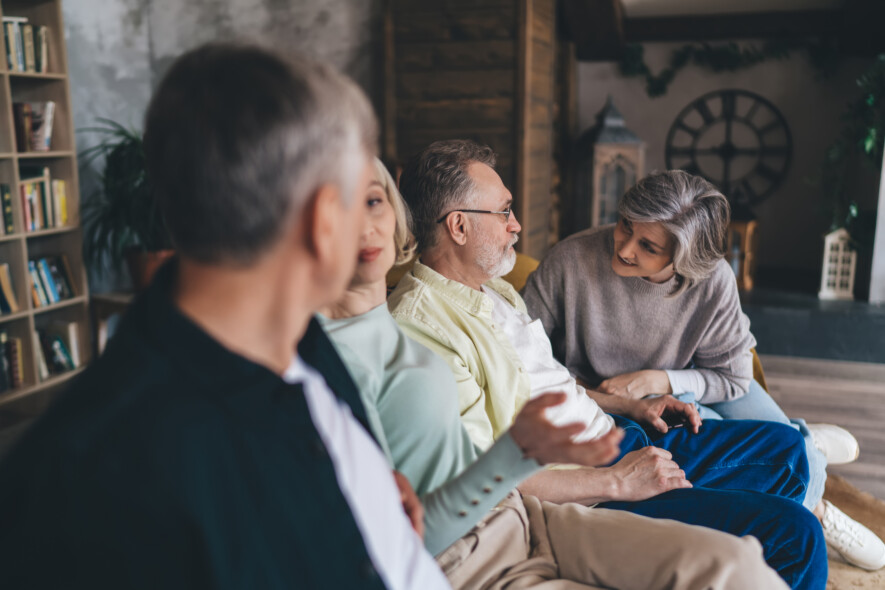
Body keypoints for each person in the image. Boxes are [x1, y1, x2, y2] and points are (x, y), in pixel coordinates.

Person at [0, 44, 450, 589]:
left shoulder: (301, 339)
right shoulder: (92, 482)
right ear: (323, 218)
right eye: (365, 198)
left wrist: (365, 514)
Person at [319, 158, 790, 589]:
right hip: (554, 497)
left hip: (595, 446)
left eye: (379, 202)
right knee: (784, 531)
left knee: (787, 456)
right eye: (504, 211)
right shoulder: (413, 334)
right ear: (459, 226)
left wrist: (635, 399)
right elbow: (448, 505)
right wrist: (612, 481)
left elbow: (551, 385)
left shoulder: (498, 292)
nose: (517, 225)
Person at [522, 169, 885, 571]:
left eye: (647, 246)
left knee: (780, 446)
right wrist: (618, 397)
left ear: (682, 260)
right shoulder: (570, 259)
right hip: (614, 396)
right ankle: (816, 507)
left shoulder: (713, 280)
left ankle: (809, 478)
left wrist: (660, 379)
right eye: (626, 225)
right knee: (736, 444)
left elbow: (733, 377)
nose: (624, 248)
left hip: (700, 376)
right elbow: (524, 359)